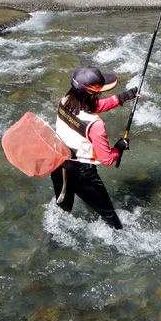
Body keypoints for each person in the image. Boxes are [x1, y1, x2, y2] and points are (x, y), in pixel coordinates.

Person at [51, 66, 138, 229]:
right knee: (111, 218)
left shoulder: (64, 102)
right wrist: (119, 147)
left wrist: (122, 97)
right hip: (83, 176)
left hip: (58, 166)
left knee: (62, 212)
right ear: (92, 94)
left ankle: (53, 244)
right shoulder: (95, 124)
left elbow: (91, 107)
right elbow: (107, 159)